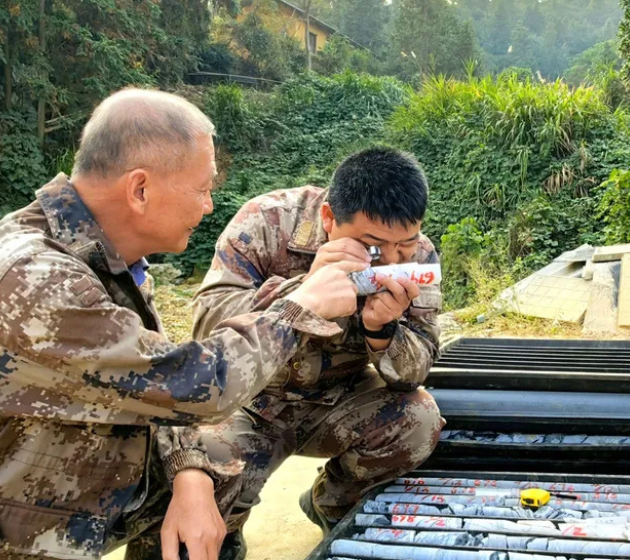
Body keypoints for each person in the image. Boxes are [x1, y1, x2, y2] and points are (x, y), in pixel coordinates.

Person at [0, 89, 363, 560]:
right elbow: (193, 384)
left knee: (213, 470)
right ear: (140, 189)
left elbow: (149, 389)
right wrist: (298, 307)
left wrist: (189, 474)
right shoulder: (37, 278)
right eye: (202, 188)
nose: (210, 205)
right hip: (23, 520)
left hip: (66, 489)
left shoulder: (104, 257)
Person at [191, 146, 446, 554]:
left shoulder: (420, 256)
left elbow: (414, 372)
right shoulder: (266, 220)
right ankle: (227, 529)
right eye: (374, 247)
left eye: (407, 244)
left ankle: (333, 504)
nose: (392, 260)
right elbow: (207, 330)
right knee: (197, 470)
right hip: (252, 401)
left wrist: (382, 331)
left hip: (338, 399)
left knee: (418, 417)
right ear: (329, 218)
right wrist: (303, 293)